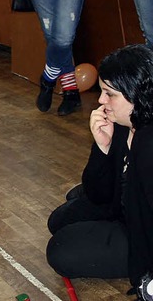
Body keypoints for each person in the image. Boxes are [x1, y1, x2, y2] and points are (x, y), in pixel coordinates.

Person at [46, 45, 153, 296]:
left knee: (60, 250)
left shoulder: (148, 144)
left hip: (139, 229)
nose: (101, 100)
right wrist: (102, 148)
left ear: (137, 95)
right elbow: (98, 194)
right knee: (58, 220)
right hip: (120, 203)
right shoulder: (125, 123)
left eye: (109, 93)